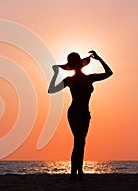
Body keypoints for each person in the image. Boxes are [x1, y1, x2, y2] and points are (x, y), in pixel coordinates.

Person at [48, 50, 113, 181]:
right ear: (71, 65)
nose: (75, 65)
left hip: (85, 114)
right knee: (79, 141)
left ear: (80, 64)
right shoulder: (69, 80)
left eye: (76, 62)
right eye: (73, 63)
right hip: (74, 112)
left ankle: (78, 172)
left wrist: (99, 58)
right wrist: (55, 74)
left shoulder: (89, 78)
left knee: (81, 143)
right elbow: (51, 90)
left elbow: (109, 73)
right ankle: (76, 173)